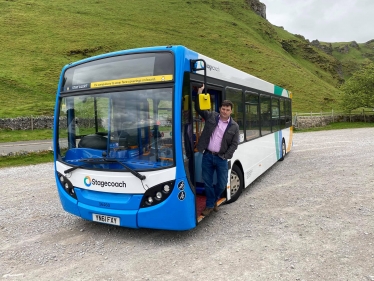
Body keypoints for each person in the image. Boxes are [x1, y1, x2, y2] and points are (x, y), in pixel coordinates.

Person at [195, 84, 239, 216]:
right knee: (208, 183)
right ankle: (209, 205)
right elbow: (199, 109)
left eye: (227, 109)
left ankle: (213, 200)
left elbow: (234, 144)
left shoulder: (234, 126)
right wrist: (199, 93)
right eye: (223, 108)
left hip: (221, 158)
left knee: (221, 183)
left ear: (231, 111)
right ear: (220, 109)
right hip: (207, 155)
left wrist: (226, 156)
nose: (224, 111)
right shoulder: (212, 116)